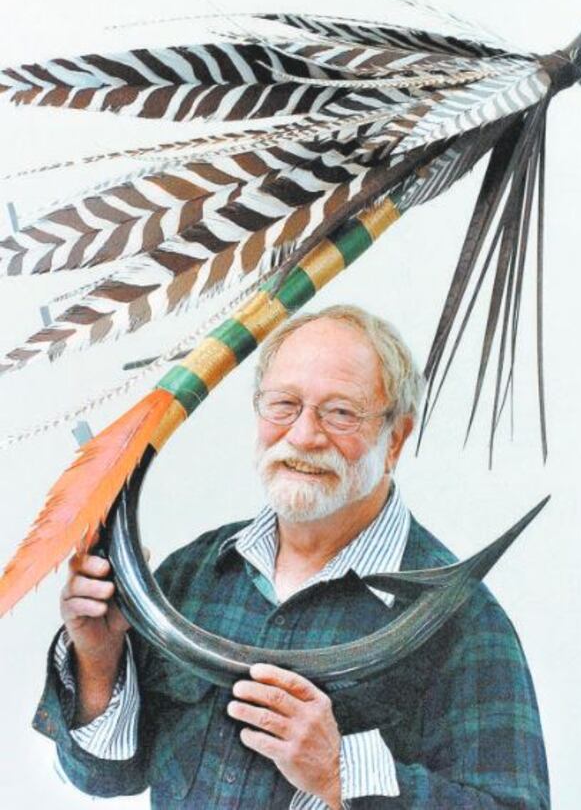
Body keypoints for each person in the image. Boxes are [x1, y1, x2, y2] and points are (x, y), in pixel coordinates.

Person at [33, 305, 550, 809]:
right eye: (284, 405)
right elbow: (104, 778)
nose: (304, 435)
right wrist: (98, 663)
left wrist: (340, 772)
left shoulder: (463, 623)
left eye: (341, 412)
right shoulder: (192, 575)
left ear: (396, 438)